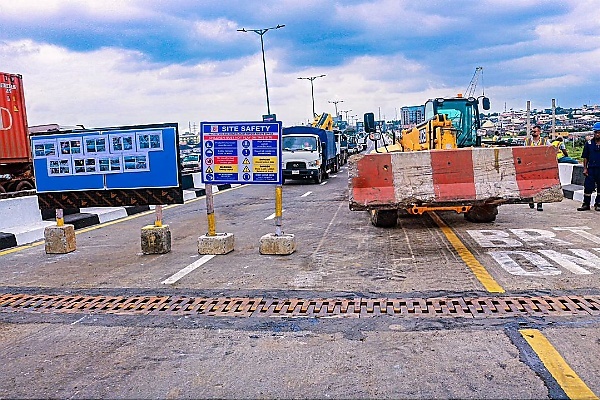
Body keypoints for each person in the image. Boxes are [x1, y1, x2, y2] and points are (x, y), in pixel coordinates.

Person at [525, 125, 551, 211]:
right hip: (530, 166)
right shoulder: (527, 141)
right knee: (531, 185)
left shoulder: (545, 141)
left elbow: (550, 150)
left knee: (540, 186)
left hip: (540, 167)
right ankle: (531, 200)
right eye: (532, 131)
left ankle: (539, 203)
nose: (533, 133)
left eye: (535, 131)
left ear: (539, 132)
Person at [577, 122, 600, 211]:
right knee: (588, 187)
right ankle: (586, 204)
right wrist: (585, 168)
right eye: (596, 132)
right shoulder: (589, 143)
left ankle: (598, 204)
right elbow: (585, 157)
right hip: (591, 169)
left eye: (599, 132)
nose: (597, 134)